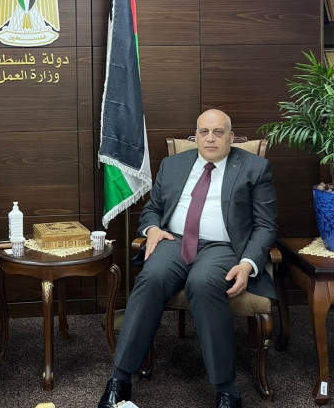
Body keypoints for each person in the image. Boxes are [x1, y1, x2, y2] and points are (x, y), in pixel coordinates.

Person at [97, 109, 277, 408]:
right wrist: (153, 229)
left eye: (218, 132)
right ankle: (120, 378)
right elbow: (153, 209)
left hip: (223, 246)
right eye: (203, 132)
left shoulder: (255, 168)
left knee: (203, 283)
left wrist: (247, 264)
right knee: (151, 278)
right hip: (175, 241)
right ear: (195, 136)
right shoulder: (174, 164)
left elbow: (265, 225)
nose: (210, 138)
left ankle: (226, 389)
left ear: (231, 137)